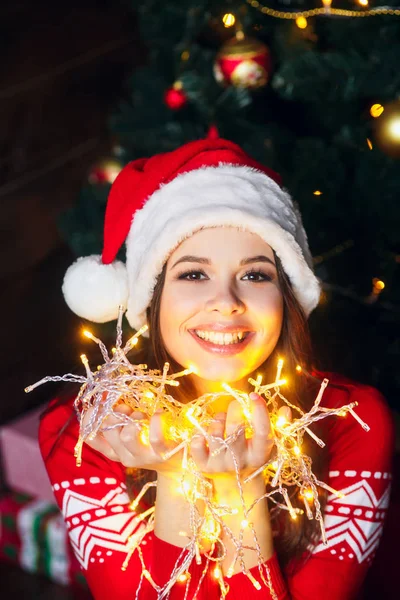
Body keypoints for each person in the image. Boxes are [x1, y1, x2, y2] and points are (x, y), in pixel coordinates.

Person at [39, 137, 394, 600]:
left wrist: (236, 486)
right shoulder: (87, 432)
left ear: (287, 297)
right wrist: (174, 473)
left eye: (255, 274)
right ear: (152, 296)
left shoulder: (353, 419)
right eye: (193, 274)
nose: (226, 303)